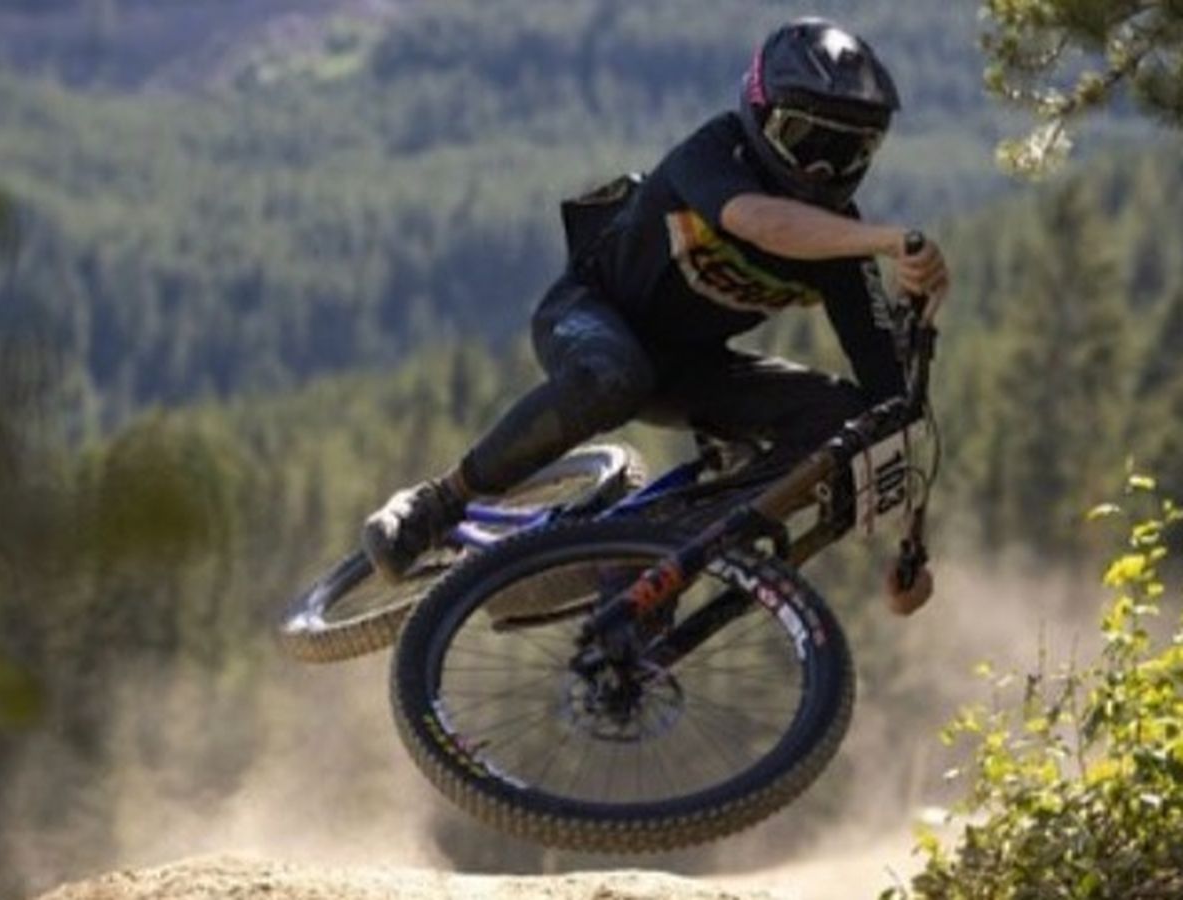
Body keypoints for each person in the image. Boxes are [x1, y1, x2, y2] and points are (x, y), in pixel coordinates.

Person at [363, 17, 949, 614]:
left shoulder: (843, 247)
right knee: (617, 376)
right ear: (758, 111)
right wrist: (885, 240)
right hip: (592, 313)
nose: (819, 170)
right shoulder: (715, 152)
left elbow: (893, 411)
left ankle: (664, 549)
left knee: (843, 421)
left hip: (688, 370)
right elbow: (760, 222)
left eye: (846, 153)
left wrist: (911, 550)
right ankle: (438, 502)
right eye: (804, 141)